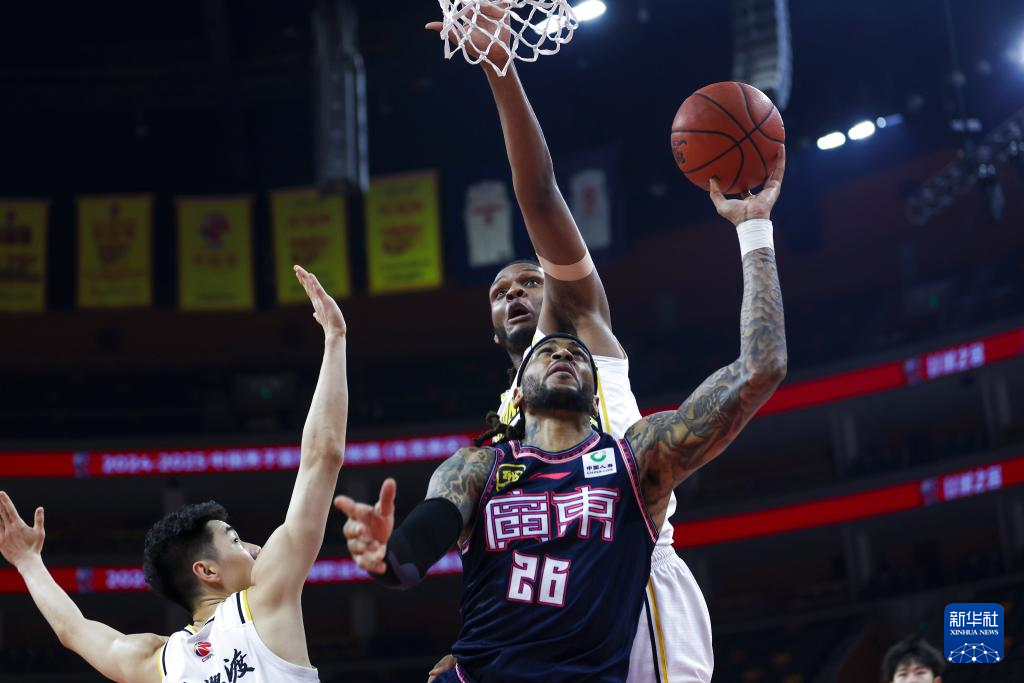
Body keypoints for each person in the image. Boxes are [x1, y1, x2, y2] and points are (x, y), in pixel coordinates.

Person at [423, 3, 784, 679]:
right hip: (562, 608)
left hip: (637, 574)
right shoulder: (511, 413)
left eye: (530, 281)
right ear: (492, 327)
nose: (516, 294)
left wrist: (500, 68)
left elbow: (537, 194)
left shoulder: (579, 328)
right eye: (500, 292)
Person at [337, 159, 787, 680]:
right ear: (518, 393)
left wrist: (755, 229)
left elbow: (761, 368)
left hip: (631, 602)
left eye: (575, 353)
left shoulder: (635, 455)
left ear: (596, 395)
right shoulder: (482, 463)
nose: (562, 355)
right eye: (547, 352)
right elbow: (418, 550)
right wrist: (386, 553)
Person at [0, 266, 347, 683]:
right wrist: (335, 339)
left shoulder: (155, 660)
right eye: (236, 540)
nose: (256, 548)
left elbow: (73, 630)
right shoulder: (267, 597)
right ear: (207, 571)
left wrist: (27, 561)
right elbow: (322, 456)